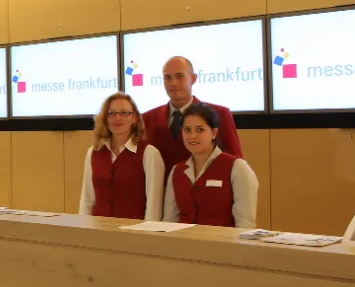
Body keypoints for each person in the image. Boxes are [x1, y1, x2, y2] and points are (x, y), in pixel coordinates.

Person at [163, 103, 258, 229]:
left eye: (200, 130)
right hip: (183, 240)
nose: (192, 136)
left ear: (214, 133)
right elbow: (169, 221)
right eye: (187, 130)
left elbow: (245, 224)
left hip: (222, 240)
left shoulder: (237, 167)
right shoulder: (177, 171)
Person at [142, 56, 242, 174]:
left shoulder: (220, 114)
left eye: (179, 76)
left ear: (193, 78)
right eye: (168, 78)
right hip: (160, 186)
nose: (173, 83)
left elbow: (235, 164)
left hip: (205, 184)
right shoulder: (147, 119)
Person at [79, 92, 165, 220]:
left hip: (134, 230)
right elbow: (87, 201)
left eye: (124, 113)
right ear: (105, 119)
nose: (117, 118)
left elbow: (154, 207)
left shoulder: (150, 154)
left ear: (134, 118)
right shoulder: (93, 153)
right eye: (111, 113)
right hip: (97, 229)